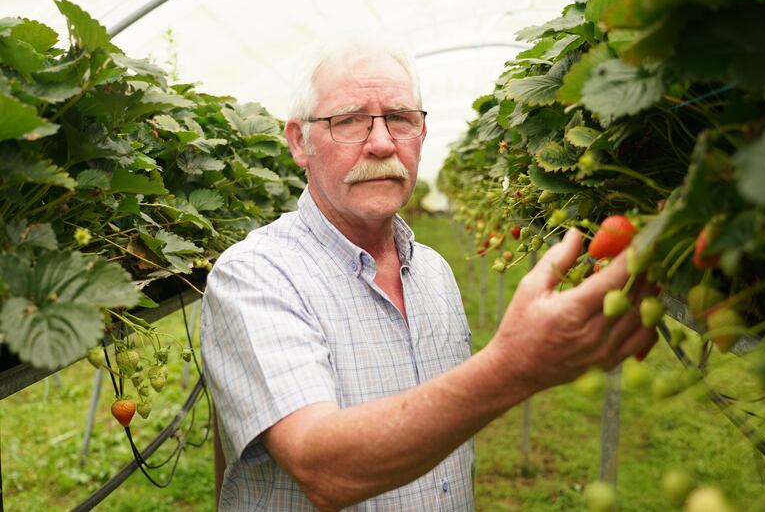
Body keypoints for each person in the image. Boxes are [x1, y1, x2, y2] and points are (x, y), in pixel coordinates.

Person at [200, 36, 658, 512]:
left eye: (399, 118)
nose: (381, 143)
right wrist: (513, 367)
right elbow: (324, 468)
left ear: (420, 133)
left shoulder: (433, 272)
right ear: (300, 141)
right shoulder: (255, 275)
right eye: (349, 120)